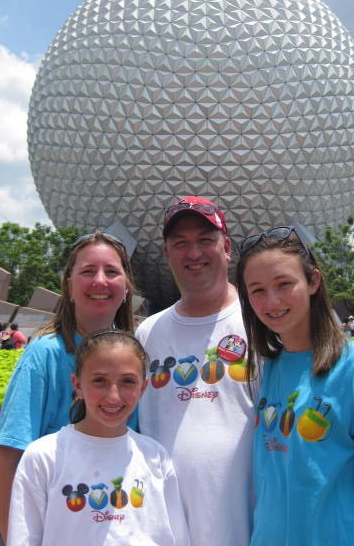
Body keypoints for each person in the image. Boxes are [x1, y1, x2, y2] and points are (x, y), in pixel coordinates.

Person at [234, 226, 354, 546]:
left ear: (313, 281)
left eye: (284, 284)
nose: (271, 301)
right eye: (257, 290)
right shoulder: (267, 370)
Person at [0, 232, 134, 546]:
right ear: (68, 287)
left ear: (126, 287)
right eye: (87, 271)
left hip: (88, 525)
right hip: (31, 529)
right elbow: (6, 457)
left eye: (111, 271)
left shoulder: (130, 358)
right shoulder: (45, 354)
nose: (100, 281)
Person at [135, 196, 257, 546]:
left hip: (245, 530)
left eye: (205, 240)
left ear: (227, 248)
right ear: (166, 252)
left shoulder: (260, 325)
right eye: (181, 243)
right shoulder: (147, 334)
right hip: (165, 531)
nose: (194, 253)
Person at [7, 330, 190, 546]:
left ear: (143, 388)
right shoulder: (44, 457)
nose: (113, 396)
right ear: (77, 385)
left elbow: (177, 540)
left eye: (128, 381)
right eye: (99, 380)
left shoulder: (155, 458)